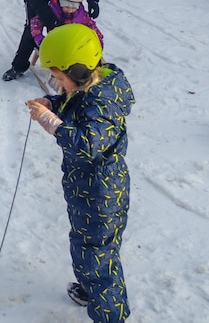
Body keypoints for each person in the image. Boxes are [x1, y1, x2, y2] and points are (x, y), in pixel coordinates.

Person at [26, 24, 133, 320]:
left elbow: (87, 144)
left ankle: (110, 315)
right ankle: (90, 287)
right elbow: (76, 104)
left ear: (78, 72)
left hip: (101, 192)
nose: (55, 81)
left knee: (99, 255)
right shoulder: (90, 88)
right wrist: (54, 103)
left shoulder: (102, 103)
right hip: (86, 189)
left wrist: (51, 122)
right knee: (86, 246)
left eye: (59, 78)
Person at [30, 0, 103, 50]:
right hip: (55, 44)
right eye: (66, 7)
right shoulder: (51, 10)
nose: (69, 10)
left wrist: (98, 39)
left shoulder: (82, 15)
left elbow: (92, 26)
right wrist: (39, 38)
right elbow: (36, 22)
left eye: (73, 8)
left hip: (77, 45)